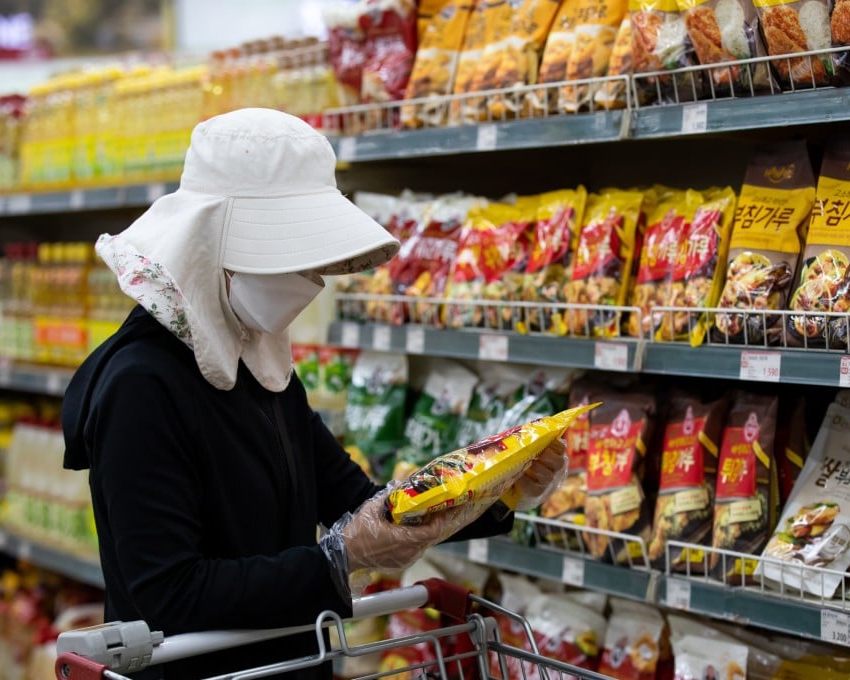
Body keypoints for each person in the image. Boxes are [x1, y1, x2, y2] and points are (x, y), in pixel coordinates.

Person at [60, 108, 567, 680]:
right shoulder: (140, 386)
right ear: (214, 246)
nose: (313, 280)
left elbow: (361, 503)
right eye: (292, 257)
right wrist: (339, 559)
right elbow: (167, 592)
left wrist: (493, 490)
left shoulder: (259, 361)